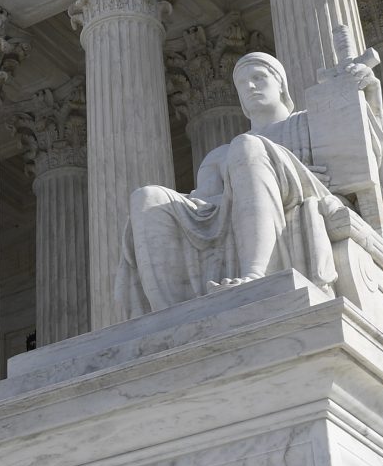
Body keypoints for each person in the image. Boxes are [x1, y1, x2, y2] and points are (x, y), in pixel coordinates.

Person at [118, 51, 350, 314]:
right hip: (234, 207)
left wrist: (366, 93)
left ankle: (257, 273)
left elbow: (367, 163)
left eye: (258, 78)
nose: (250, 86)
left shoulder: (311, 125)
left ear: (281, 85)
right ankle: (170, 312)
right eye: (242, 84)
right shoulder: (220, 156)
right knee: (147, 197)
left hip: (308, 196)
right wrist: (241, 188)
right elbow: (205, 205)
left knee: (247, 146)